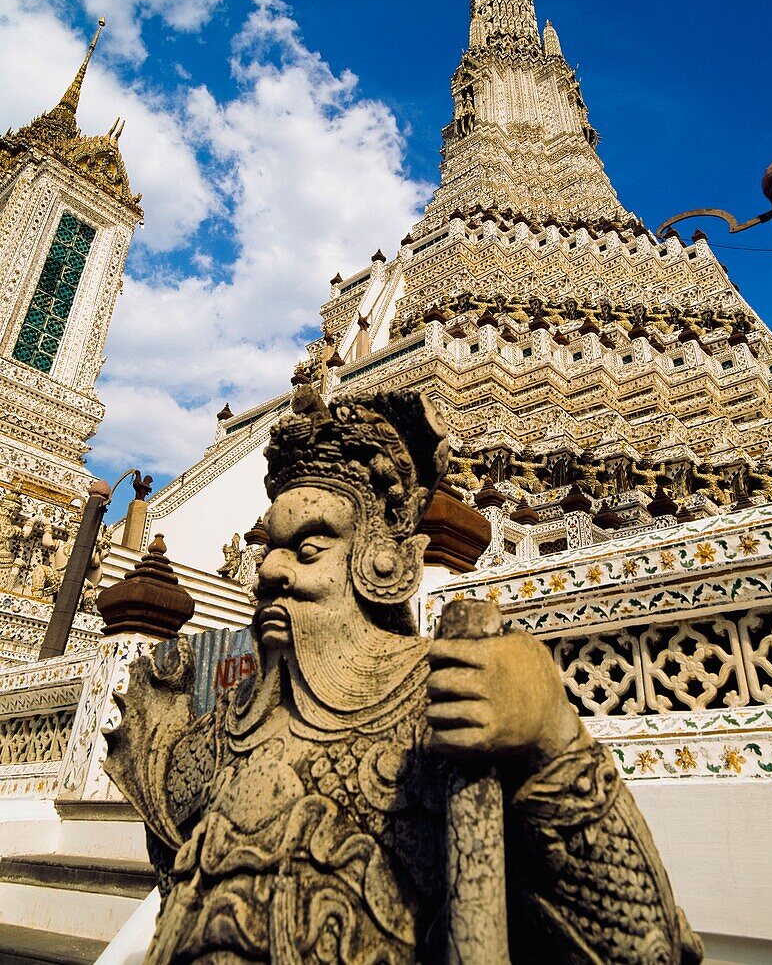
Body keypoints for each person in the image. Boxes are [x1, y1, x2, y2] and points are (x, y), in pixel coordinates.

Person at [105, 387, 702, 964]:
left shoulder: (445, 703)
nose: (270, 570)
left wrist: (553, 741)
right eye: (269, 548)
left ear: (381, 559)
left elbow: (639, 945)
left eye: (309, 549)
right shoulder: (214, 739)